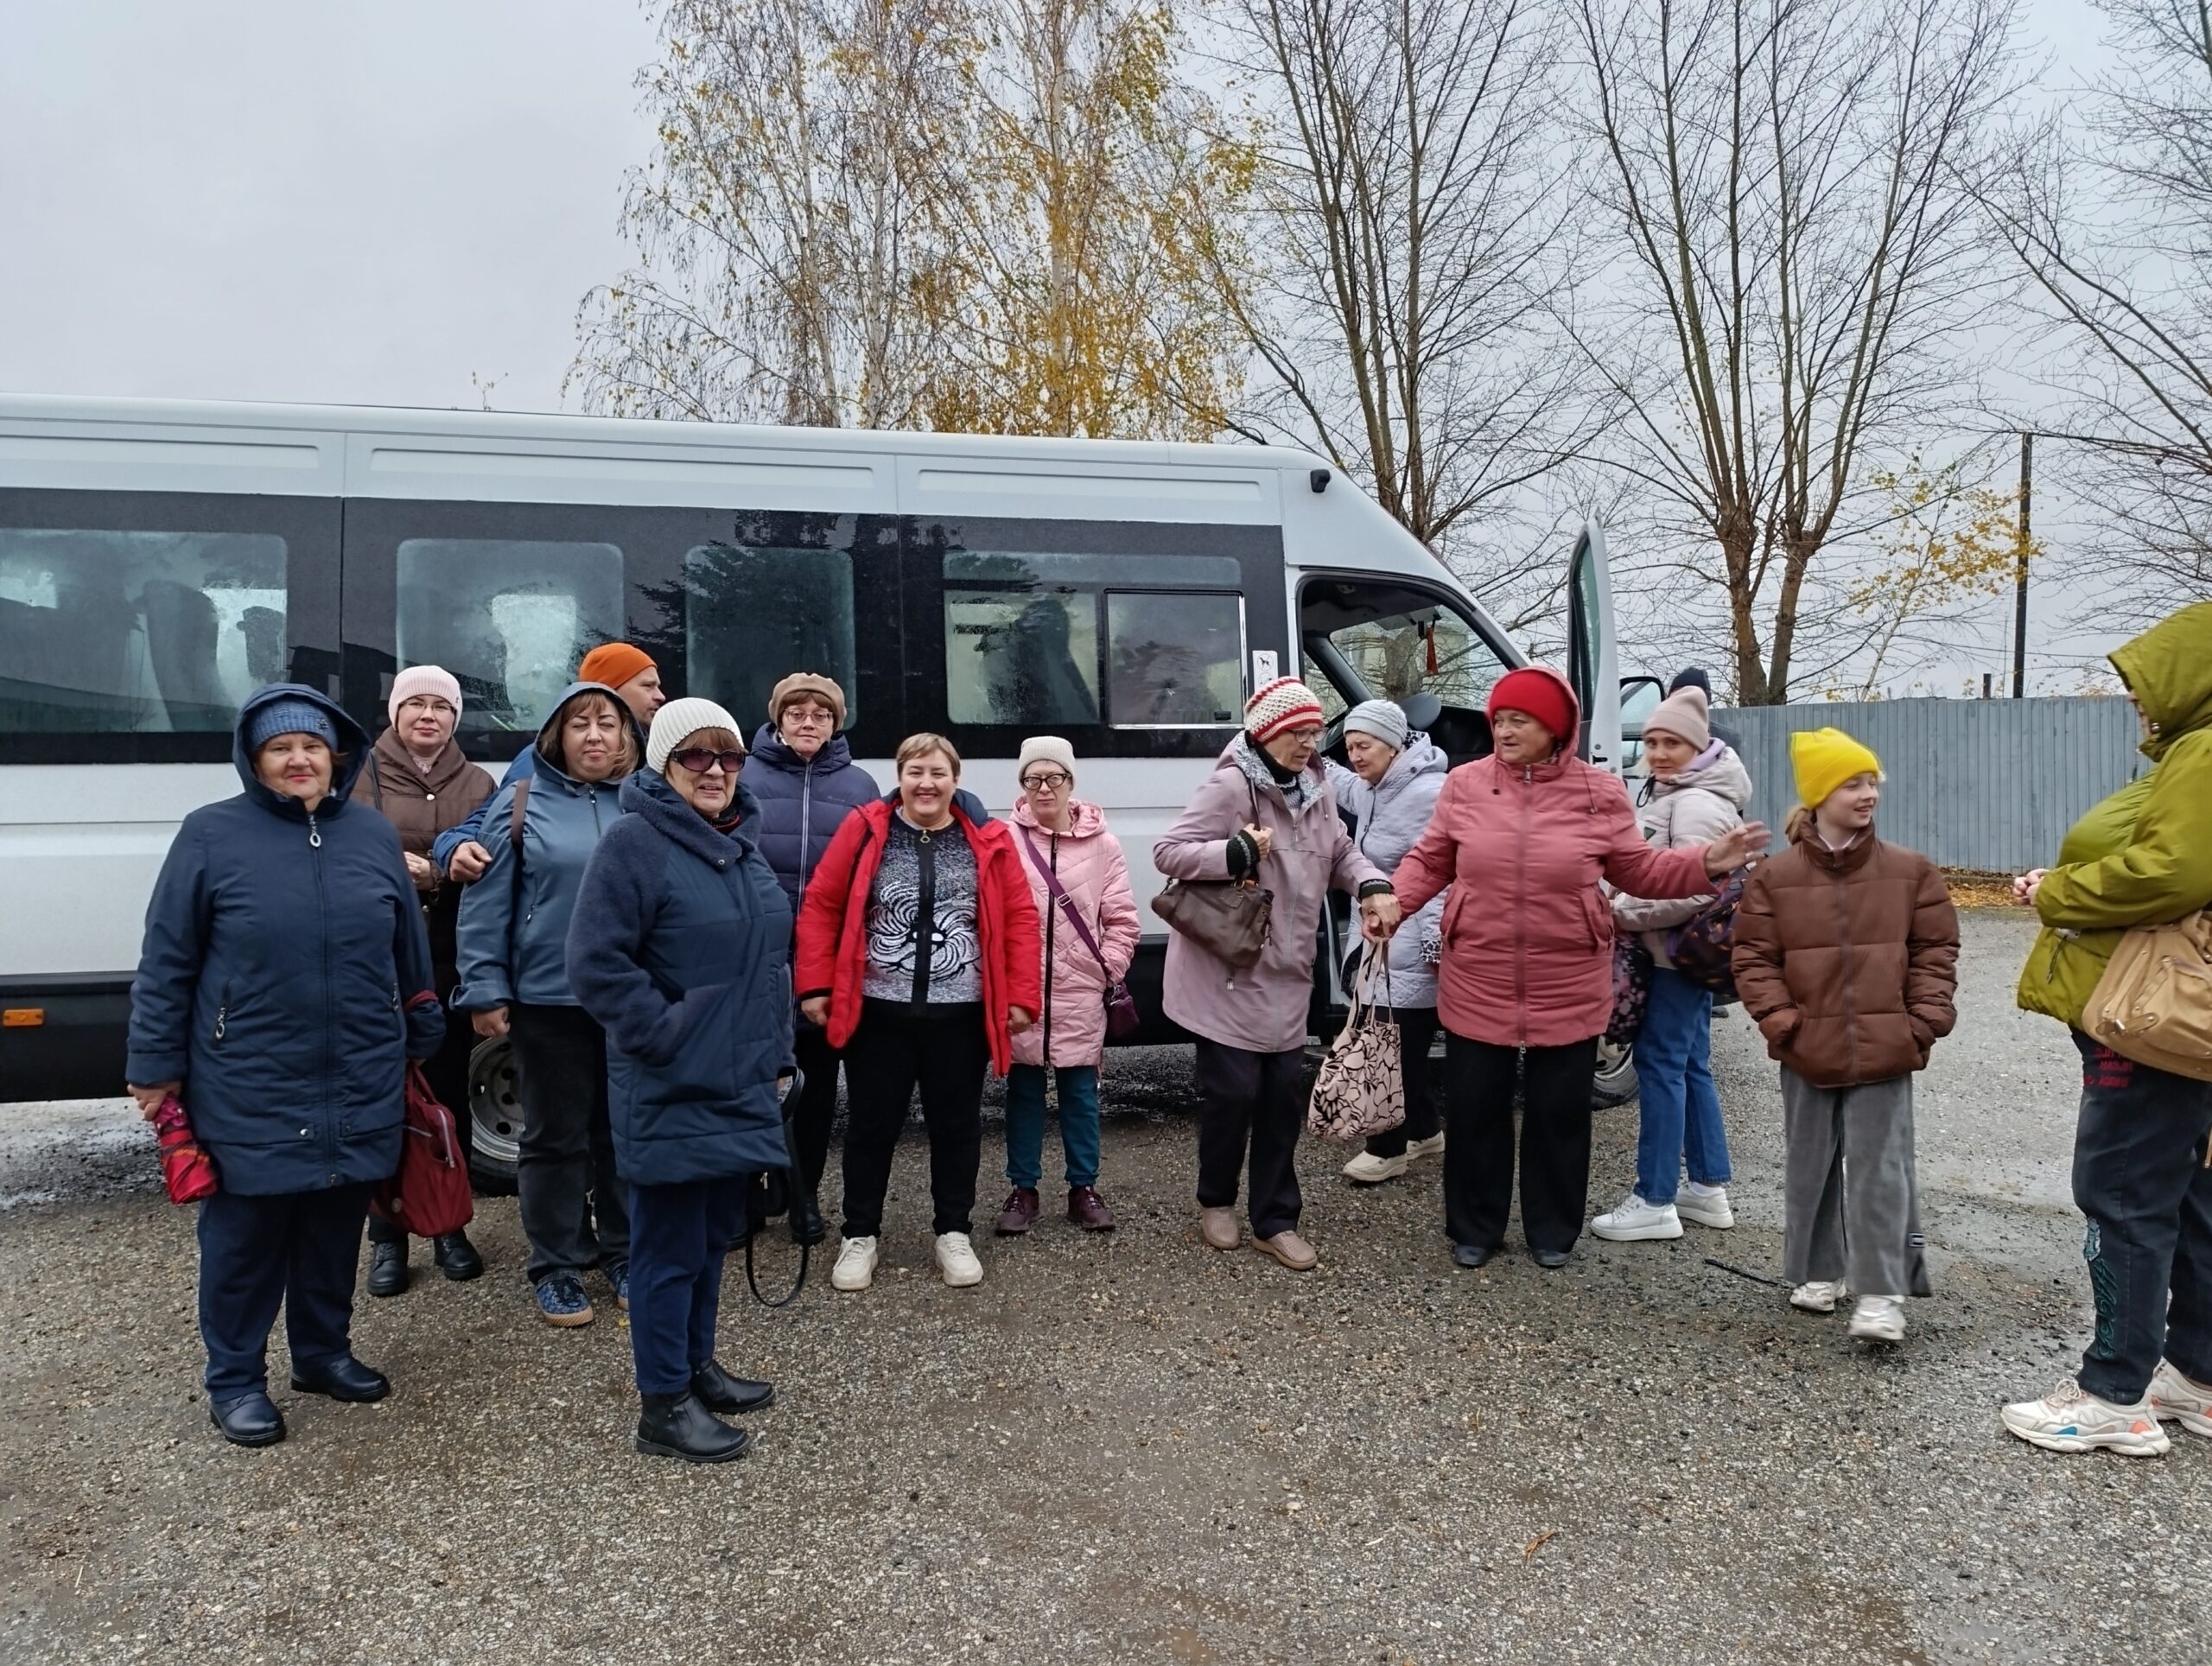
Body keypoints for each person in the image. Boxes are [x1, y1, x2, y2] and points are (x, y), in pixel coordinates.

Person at [126, 685, 444, 1447]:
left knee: (334, 1225)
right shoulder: (209, 836)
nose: (299, 760)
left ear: (336, 757)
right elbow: (168, 960)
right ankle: (234, 1379)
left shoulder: (370, 834)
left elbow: (408, 948)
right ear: (255, 760)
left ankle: (321, 1353)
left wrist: (421, 1021)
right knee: (245, 1237)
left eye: (311, 747)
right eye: (280, 748)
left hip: (358, 1072)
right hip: (250, 1077)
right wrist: (153, 1066)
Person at [1392, 667, 1764, 1270]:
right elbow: (1431, 859)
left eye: (1520, 720)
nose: (1505, 730)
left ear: (1555, 727)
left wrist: (1704, 862)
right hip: (1478, 972)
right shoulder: (1463, 786)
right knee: (1476, 1106)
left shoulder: (1600, 792)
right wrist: (1393, 899)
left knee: (1558, 1113)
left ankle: (1552, 1230)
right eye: (1500, 720)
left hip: (1568, 975)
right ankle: (1475, 1226)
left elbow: (1640, 872)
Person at [1999, 601, 2212, 1455]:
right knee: (2188, 1195)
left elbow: (2176, 869)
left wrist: (2058, 891)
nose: (2133, 700)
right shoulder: (2188, 754)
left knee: (2121, 1195)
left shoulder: (2201, 750)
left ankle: (2111, 1389)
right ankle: (2194, 1375)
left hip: (2149, 1019)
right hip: (2170, 1022)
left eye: (2141, 684)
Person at [568, 699, 792, 1464]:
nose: (716, 771)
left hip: (738, 1081)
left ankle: (696, 1367)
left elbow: (769, 963)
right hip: (668, 1085)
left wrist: (780, 1053)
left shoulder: (741, 845)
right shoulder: (635, 843)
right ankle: (662, 1406)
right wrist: (664, 1033)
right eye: (696, 756)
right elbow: (596, 963)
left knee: (705, 1242)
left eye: (728, 756)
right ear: (663, 765)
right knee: (664, 1250)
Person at [1154, 678, 1402, 1272]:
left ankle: (1275, 1220)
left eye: (1314, 732)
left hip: (1289, 974)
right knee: (1232, 1096)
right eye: (1297, 732)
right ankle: (1216, 1199)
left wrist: (1371, 884)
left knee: (1278, 1103)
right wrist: (1233, 853)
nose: (1308, 742)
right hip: (1226, 974)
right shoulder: (1231, 785)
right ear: (1266, 733)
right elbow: (1170, 851)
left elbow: (1341, 852)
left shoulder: (1316, 788)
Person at [1731, 728, 1959, 1345]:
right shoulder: (1774, 879)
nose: (1868, 795)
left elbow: (1936, 951)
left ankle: (1882, 1292)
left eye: (1871, 783)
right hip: (1807, 1050)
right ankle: (1818, 1270)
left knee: (1882, 1170)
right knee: (1811, 1163)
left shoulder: (1912, 873)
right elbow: (1753, 958)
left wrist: (1923, 1022)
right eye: (1853, 783)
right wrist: (1784, 1024)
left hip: (1888, 1051)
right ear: (1820, 793)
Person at [795, 734, 1041, 1292]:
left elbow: (1021, 917)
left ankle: (953, 1231)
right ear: (900, 777)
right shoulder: (864, 829)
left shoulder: (989, 838)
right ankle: (860, 1235)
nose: (926, 783)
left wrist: (1023, 995)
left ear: (956, 779)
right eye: (915, 772)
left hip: (961, 1016)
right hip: (878, 1012)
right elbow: (822, 906)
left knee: (956, 1127)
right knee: (869, 1127)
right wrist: (814, 984)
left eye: (937, 772)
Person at [455, 681, 642, 1326]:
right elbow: (485, 906)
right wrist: (483, 989)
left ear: (627, 737)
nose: (595, 735)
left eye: (608, 724)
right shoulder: (522, 801)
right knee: (554, 1139)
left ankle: (622, 1253)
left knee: (622, 1135)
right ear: (556, 738)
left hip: (627, 1001)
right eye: (580, 724)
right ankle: (555, 1265)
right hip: (547, 999)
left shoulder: (644, 801)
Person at [350, 664, 495, 1295]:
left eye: (441, 706)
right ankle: (387, 1237)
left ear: (455, 719)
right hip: (375, 965)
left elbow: (491, 863)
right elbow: (343, 854)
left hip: (447, 962)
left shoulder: (480, 782)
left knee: (446, 1100)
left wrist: (433, 873)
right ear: (395, 712)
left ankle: (449, 1226)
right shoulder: (358, 775)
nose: (427, 716)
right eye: (416, 705)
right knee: (385, 1102)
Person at [1592, 682, 1748, 1243]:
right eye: (1652, 741)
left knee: (1660, 1064)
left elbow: (1694, 890)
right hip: (1684, 955)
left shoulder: (1697, 802)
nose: (1657, 753)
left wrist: (1622, 912)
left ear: (1698, 747)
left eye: (1671, 744)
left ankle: (1655, 1197)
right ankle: (1706, 1187)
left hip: (1675, 956)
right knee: (1691, 1064)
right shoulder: (1679, 792)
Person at [994, 736, 1141, 1236]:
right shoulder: (1004, 839)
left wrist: (1108, 968)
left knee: (1081, 1093)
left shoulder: (1104, 845)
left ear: (1071, 782)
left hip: (1080, 990)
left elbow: (1122, 919)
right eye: (1032, 779)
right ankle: (1023, 1188)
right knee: (1025, 1092)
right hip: (1024, 990)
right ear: (1022, 785)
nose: (1043, 788)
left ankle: (1083, 1188)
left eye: (1053, 777)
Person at [746, 672, 879, 1210]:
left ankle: (802, 1196)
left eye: (820, 714)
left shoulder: (860, 787)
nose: (808, 722)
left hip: (827, 960)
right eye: (797, 712)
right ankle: (750, 1196)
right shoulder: (743, 775)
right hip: (758, 955)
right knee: (755, 1080)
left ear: (835, 723)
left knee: (818, 1086)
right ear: (778, 718)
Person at [1323, 699, 1451, 1187]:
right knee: (1404, 1047)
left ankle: (1386, 1149)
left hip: (1412, 939)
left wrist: (1436, 946)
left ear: (1395, 745)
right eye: (1351, 745)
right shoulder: (1383, 785)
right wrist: (1311, 750)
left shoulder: (1429, 792)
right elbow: (1347, 786)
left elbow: (1443, 872)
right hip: (1384, 935)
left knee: (1390, 1049)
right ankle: (1425, 1131)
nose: (1356, 755)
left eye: (1365, 745)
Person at [435, 642, 665, 883]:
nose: (660, 696)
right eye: (647, 686)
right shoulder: (542, 758)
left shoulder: (650, 756)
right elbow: (484, 824)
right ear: (610, 690)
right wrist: (455, 846)